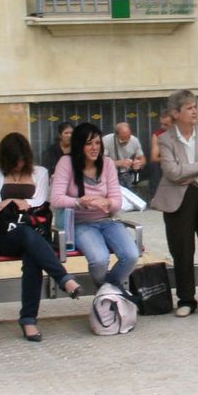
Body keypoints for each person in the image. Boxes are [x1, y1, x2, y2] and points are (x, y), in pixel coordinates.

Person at [0, 131, 80, 342]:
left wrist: (10, 202)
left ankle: (28, 320)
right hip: (3, 235)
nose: (19, 165)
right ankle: (63, 278)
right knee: (27, 235)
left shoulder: (40, 172)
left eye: (22, 160)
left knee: (32, 257)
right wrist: (18, 204)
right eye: (14, 161)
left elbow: (39, 202)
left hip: (33, 232)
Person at [149, 89, 198, 317]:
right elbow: (172, 172)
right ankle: (186, 300)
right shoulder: (165, 139)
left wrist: (196, 176)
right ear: (175, 113)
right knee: (182, 250)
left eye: (195, 107)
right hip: (176, 200)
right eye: (189, 108)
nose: (194, 111)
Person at [52, 122, 140, 293]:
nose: (94, 148)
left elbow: (116, 201)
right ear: (79, 145)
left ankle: (108, 292)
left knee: (131, 255)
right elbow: (56, 199)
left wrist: (107, 203)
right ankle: (113, 294)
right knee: (100, 259)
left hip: (107, 220)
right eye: (89, 143)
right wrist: (81, 202)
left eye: (98, 143)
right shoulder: (66, 162)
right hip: (80, 223)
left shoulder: (107, 163)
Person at [105, 121, 146, 192]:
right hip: (111, 174)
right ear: (116, 135)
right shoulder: (106, 140)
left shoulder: (134, 140)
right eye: (123, 140)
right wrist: (118, 163)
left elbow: (142, 159)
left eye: (128, 138)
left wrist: (138, 164)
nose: (126, 142)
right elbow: (100, 161)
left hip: (129, 174)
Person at [145, 108, 171, 196]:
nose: (162, 127)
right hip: (164, 163)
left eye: (166, 125)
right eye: (161, 124)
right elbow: (154, 158)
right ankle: (155, 197)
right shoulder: (157, 135)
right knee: (153, 166)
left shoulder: (183, 133)